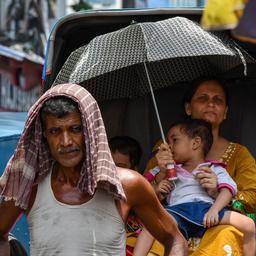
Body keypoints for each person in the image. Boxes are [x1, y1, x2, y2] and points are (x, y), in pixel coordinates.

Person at [0, 83, 187, 256]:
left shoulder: (128, 185)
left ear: (90, 131)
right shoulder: (31, 185)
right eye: (55, 131)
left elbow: (175, 239)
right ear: (44, 137)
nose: (66, 142)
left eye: (75, 129)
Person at [146, 78, 256, 255]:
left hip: (216, 224)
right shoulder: (167, 148)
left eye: (218, 100)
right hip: (175, 220)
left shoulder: (240, 153)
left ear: (225, 112)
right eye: (203, 98)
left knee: (228, 234)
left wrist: (217, 192)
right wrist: (160, 184)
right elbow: (142, 193)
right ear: (188, 108)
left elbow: (253, 196)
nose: (211, 104)